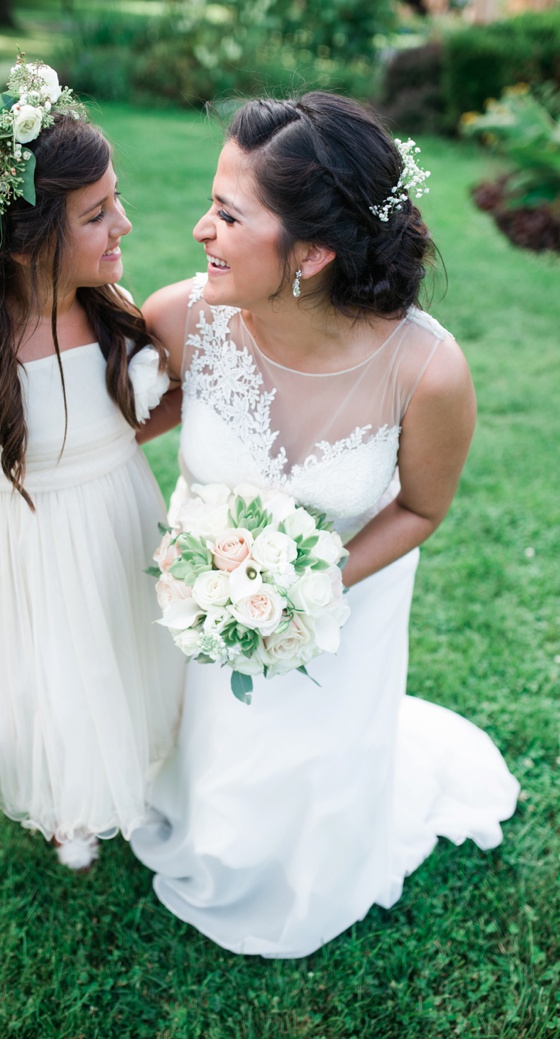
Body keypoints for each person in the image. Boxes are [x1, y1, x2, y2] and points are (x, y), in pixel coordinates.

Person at [127, 92, 519, 957]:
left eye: (229, 215)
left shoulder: (427, 369)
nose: (201, 230)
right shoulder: (184, 317)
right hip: (199, 610)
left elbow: (421, 507)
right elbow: (104, 411)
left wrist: (309, 584)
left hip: (346, 611)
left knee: (302, 787)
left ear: (311, 251)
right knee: (210, 763)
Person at [0, 60, 184, 877]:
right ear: (26, 239)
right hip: (16, 537)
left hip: (116, 520)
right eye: (97, 213)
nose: (124, 221)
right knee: (7, 672)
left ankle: (74, 792)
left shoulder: (118, 316)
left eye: (115, 198)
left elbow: (123, 420)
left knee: (100, 659)